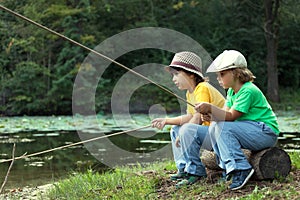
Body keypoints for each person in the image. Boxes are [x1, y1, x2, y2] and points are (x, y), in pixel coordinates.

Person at [194, 50, 279, 190]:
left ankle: (241, 168)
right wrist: (211, 116)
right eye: (217, 75)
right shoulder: (232, 92)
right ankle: (229, 168)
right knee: (216, 125)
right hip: (252, 130)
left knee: (221, 127)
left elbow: (231, 117)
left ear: (236, 73)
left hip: (265, 132)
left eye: (222, 74)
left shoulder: (248, 90)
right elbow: (225, 115)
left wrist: (210, 107)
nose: (218, 79)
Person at [151, 51, 225, 187]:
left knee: (186, 129)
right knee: (175, 129)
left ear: (191, 74)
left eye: (177, 74)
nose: (174, 79)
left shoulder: (201, 88)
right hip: (208, 133)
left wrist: (185, 131)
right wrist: (166, 120)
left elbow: (198, 117)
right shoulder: (189, 92)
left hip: (219, 134)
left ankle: (196, 172)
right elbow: (190, 116)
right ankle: (184, 168)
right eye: (173, 75)